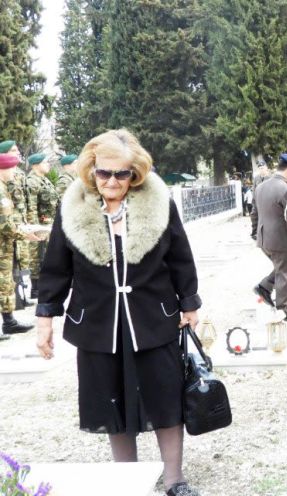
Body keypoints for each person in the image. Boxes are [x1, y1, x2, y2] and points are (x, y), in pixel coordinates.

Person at [35, 129, 203, 496]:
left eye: (122, 174)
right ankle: (128, 480)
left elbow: (180, 257)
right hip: (97, 323)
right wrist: (45, 318)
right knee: (113, 400)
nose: (112, 181)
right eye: (103, 172)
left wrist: (189, 303)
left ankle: (175, 479)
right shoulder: (73, 207)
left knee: (164, 396)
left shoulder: (158, 203)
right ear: (91, 170)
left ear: (135, 173)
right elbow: (56, 267)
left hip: (153, 318)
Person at [253, 154, 287, 321]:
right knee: (286, 270)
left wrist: (255, 233)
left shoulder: (260, 186)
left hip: (263, 239)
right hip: (280, 239)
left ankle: (264, 287)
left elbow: (254, 213)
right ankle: (285, 309)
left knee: (281, 267)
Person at [0, 153, 38, 339]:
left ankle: (9, 322)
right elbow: (5, 224)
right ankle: (9, 322)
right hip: (2, 245)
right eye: (12, 168)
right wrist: (25, 234)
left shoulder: (4, 188)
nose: (15, 172)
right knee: (3, 284)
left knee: (5, 284)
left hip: (4, 246)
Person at [25, 153, 58, 300]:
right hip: (38, 223)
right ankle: (34, 287)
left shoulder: (44, 180)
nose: (48, 165)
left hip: (47, 223)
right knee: (35, 255)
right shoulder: (32, 181)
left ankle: (43, 283)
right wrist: (34, 227)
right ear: (36, 164)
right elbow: (31, 205)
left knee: (45, 254)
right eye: (45, 162)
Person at [249, 162, 271, 239]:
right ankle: (255, 232)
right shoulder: (256, 178)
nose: (261, 170)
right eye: (260, 168)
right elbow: (254, 189)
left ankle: (266, 233)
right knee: (254, 216)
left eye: (262, 168)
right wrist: (254, 201)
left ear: (266, 168)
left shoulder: (270, 178)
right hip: (257, 202)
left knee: (266, 218)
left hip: (267, 202)